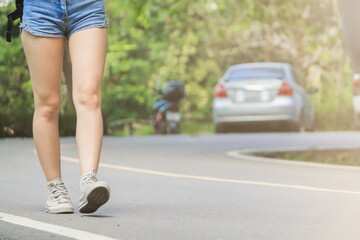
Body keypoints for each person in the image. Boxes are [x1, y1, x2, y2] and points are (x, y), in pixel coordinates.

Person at [20, 0, 110, 214]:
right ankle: (55, 188)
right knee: (48, 104)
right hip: (41, 7)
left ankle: (88, 180)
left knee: (90, 96)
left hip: (87, 5)